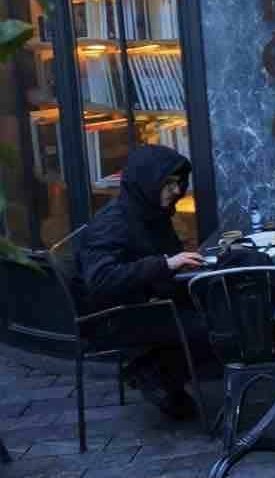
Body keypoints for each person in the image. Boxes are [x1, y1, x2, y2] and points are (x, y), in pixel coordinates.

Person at [75, 144, 206, 419]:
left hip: (148, 302)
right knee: (212, 324)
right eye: (168, 183)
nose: (177, 191)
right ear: (147, 181)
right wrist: (166, 264)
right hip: (118, 318)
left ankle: (159, 372)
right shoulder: (114, 221)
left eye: (179, 183)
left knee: (214, 303)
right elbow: (100, 279)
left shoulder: (151, 212)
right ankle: (153, 370)